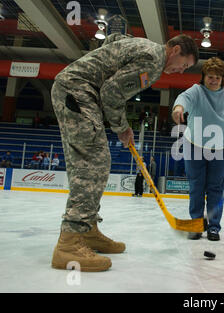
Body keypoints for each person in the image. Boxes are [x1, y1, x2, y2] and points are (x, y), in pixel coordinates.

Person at [50, 32, 199, 272]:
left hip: (77, 90)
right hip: (77, 91)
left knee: (96, 162)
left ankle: (87, 230)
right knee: (92, 165)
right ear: (175, 49)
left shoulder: (144, 46)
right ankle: (68, 243)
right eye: (183, 65)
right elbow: (111, 92)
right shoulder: (153, 62)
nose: (180, 71)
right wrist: (122, 127)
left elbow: (113, 39)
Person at [172, 57, 224, 241]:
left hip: (221, 147)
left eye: (217, 77)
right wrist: (178, 108)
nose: (214, 80)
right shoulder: (196, 91)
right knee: (196, 187)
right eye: (210, 77)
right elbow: (183, 98)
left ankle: (214, 227)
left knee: (215, 188)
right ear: (204, 76)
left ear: (222, 78)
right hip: (194, 145)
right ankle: (197, 224)